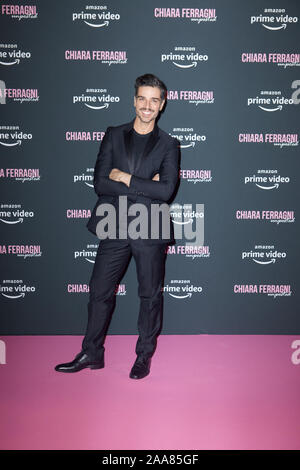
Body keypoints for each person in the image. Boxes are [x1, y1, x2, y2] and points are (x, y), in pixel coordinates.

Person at [55, 73, 180, 379]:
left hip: (150, 227)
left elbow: (165, 191)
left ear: (162, 104)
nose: (147, 106)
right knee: (98, 291)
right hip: (114, 225)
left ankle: (143, 356)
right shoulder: (113, 134)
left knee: (150, 295)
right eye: (142, 99)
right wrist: (142, 185)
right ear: (134, 100)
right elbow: (99, 183)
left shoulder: (170, 144)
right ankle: (91, 353)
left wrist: (123, 177)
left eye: (154, 100)